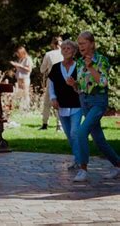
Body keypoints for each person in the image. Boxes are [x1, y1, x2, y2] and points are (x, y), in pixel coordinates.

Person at [67, 31, 120, 182]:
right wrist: (74, 84)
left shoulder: (102, 60)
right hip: (84, 101)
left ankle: (83, 169)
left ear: (91, 43)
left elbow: (103, 82)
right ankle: (118, 165)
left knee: (81, 131)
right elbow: (81, 87)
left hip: (98, 102)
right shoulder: (79, 62)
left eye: (83, 43)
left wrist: (90, 67)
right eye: (79, 43)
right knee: (99, 140)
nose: (80, 46)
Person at [47, 40, 82, 171]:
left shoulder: (79, 67)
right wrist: (53, 98)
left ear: (74, 52)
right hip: (61, 106)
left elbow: (83, 87)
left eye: (69, 48)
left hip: (77, 105)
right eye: (64, 48)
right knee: (69, 135)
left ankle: (80, 161)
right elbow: (51, 85)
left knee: (74, 133)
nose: (66, 50)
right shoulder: (56, 67)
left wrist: (74, 85)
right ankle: (77, 158)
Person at [39, 36, 63, 131]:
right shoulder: (65, 54)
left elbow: (42, 70)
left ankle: (45, 124)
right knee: (60, 102)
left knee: (47, 103)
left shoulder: (49, 54)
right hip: (63, 80)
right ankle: (59, 125)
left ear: (53, 44)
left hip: (52, 80)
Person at [10, 46, 33, 112]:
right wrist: (15, 65)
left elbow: (29, 69)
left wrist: (20, 65)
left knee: (25, 93)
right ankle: (22, 108)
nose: (17, 55)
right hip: (19, 78)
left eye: (18, 53)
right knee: (20, 93)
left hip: (25, 78)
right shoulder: (21, 59)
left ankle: (27, 108)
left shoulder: (28, 59)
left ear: (22, 52)